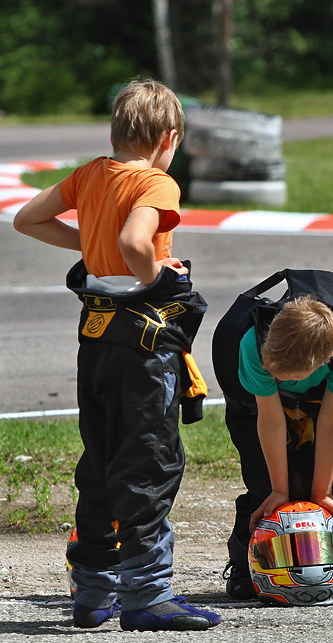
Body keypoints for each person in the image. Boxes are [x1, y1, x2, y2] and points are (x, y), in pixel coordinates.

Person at [12, 79, 220, 631]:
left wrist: (88, 243)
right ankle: (147, 596)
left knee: (101, 460)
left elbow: (26, 219)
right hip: (143, 344)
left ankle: (92, 591)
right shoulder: (156, 182)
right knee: (148, 459)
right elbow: (134, 242)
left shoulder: (89, 175)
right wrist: (155, 278)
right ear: (168, 138)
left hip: (96, 335)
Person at [221, 292, 333, 600]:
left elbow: (332, 421)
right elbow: (270, 421)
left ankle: (320, 562)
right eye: (273, 366)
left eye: (286, 373)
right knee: (264, 489)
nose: (277, 373)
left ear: (328, 357)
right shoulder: (253, 345)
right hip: (257, 409)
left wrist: (322, 492)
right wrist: (278, 491)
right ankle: (246, 564)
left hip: (314, 403)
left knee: (313, 487)